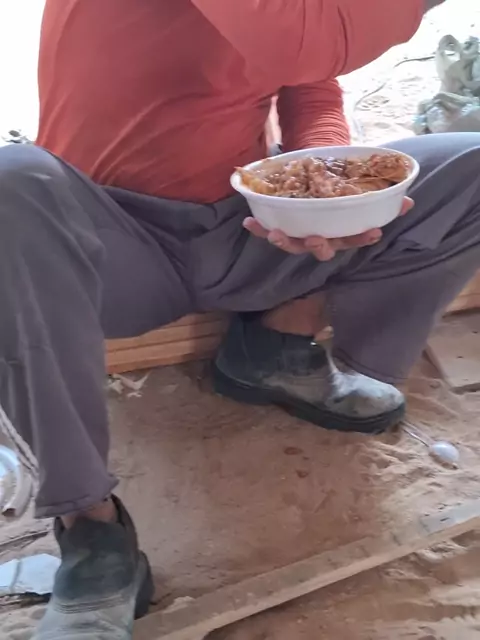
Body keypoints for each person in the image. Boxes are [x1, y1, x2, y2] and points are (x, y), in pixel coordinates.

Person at [1, 0, 475, 637]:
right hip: (116, 245)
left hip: (244, 224)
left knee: (470, 169)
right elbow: (306, 41)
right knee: (12, 182)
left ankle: (277, 348)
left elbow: (311, 83)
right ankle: (91, 531)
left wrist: (323, 184)